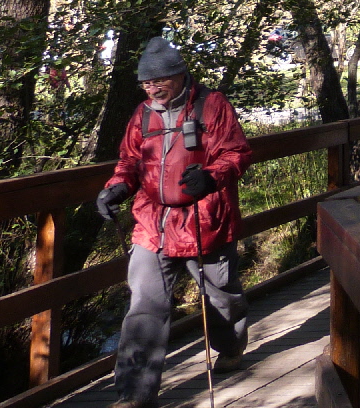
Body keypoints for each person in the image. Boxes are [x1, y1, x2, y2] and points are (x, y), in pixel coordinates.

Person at [96, 37, 253, 408]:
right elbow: (129, 161)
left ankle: (231, 346)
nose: (152, 89)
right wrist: (117, 187)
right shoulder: (142, 114)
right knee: (144, 305)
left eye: (159, 81)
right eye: (146, 84)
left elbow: (236, 153)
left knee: (222, 298)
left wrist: (211, 177)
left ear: (180, 75)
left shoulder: (212, 105)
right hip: (153, 222)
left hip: (205, 219)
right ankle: (134, 394)